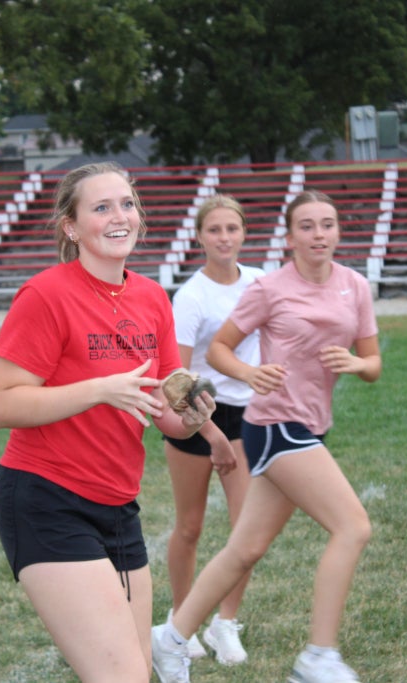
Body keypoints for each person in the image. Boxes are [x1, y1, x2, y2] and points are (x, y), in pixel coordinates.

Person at [0, 162, 236, 683]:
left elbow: (167, 414)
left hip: (119, 504)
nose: (120, 216)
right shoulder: (46, 294)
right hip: (47, 499)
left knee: (136, 671)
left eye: (127, 204)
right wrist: (99, 389)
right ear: (71, 227)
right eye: (101, 207)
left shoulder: (151, 297)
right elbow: (1, 405)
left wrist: (195, 417)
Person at [151, 190, 382, 683]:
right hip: (274, 425)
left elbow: (373, 364)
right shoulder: (268, 288)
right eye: (307, 226)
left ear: (338, 231)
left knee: (246, 547)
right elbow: (218, 350)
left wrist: (357, 363)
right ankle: (319, 657)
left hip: (310, 425)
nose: (319, 234)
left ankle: (170, 638)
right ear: (289, 236)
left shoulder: (355, 286)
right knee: (352, 526)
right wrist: (250, 374)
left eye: (327, 224)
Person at [162, 194, 264, 666]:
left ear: (244, 233)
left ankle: (225, 623)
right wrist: (210, 434)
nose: (225, 238)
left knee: (246, 530)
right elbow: (177, 380)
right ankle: (181, 620)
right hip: (197, 418)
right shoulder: (191, 296)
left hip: (247, 416)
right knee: (190, 526)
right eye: (215, 230)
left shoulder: (260, 282)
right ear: (200, 237)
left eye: (232, 228)